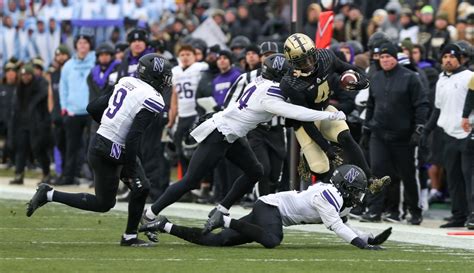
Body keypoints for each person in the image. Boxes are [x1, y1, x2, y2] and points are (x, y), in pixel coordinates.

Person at [141, 53, 347, 241]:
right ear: (278, 75)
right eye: (287, 74)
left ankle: (221, 210)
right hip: (219, 134)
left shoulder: (260, 80)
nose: (291, 78)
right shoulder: (269, 96)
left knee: (255, 170)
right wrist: (329, 114)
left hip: (232, 133)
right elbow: (297, 112)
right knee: (190, 181)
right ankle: (149, 215)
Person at [26, 54, 173, 247]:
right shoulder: (152, 98)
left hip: (99, 142)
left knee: (108, 202)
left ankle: (48, 194)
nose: (166, 80)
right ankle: (130, 236)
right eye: (164, 76)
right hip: (113, 148)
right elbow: (133, 136)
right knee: (141, 187)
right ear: (154, 76)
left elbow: (93, 107)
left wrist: (109, 126)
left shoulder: (126, 81)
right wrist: (129, 168)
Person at [139, 164, 392, 250]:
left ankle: (165, 225)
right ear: (346, 187)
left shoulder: (339, 200)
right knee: (272, 240)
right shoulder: (327, 196)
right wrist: (361, 245)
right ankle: (224, 219)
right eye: (357, 190)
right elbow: (336, 226)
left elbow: (345, 224)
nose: (359, 196)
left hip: (272, 211)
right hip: (270, 207)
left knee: (216, 243)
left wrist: (368, 237)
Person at [280, 33, 390, 192]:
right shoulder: (290, 82)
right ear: (292, 63)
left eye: (310, 57)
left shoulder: (325, 57)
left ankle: (370, 179)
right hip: (305, 120)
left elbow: (349, 68)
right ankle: (331, 197)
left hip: (325, 111)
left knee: (345, 137)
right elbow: (306, 120)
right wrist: (326, 147)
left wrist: (362, 80)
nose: (309, 64)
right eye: (303, 62)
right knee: (321, 167)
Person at [361, 42, 429, 225]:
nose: (384, 60)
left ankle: (415, 211)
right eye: (381, 57)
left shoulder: (410, 77)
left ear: (395, 58)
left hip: (403, 136)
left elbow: (421, 105)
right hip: (379, 134)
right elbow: (370, 106)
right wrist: (367, 129)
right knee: (376, 172)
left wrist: (418, 128)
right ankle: (374, 210)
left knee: (407, 174)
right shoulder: (375, 78)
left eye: (388, 57)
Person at [426, 43, 473, 228]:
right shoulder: (441, 78)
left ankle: (473, 214)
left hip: (468, 132)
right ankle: (458, 214)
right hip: (447, 133)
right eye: (445, 57)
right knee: (453, 177)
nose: (448, 60)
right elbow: (438, 108)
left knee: (469, 176)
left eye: (452, 57)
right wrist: (427, 130)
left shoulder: (469, 76)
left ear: (461, 59)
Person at [56, 28, 96, 186]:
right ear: (75, 45)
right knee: (70, 147)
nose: (82, 46)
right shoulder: (68, 65)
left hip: (91, 111)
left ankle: (95, 178)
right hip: (72, 112)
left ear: (90, 45)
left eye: (85, 42)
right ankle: (68, 177)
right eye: (79, 43)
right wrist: (64, 107)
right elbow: (62, 88)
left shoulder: (95, 61)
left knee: (93, 147)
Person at [9, 65, 52, 185]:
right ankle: (19, 174)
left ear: (32, 75)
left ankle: (46, 174)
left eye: (27, 75)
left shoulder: (40, 86)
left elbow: (43, 99)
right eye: (23, 75)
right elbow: (16, 108)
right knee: (21, 149)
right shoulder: (19, 89)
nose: (25, 77)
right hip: (22, 124)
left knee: (39, 150)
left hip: (37, 124)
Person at [170, 44, 208, 174]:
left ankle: (201, 181)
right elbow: (174, 96)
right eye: (182, 55)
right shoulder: (175, 71)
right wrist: (171, 119)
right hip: (182, 115)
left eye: (188, 54)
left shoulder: (201, 67)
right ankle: (187, 180)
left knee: (196, 150)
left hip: (196, 113)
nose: (185, 57)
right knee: (180, 150)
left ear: (194, 56)